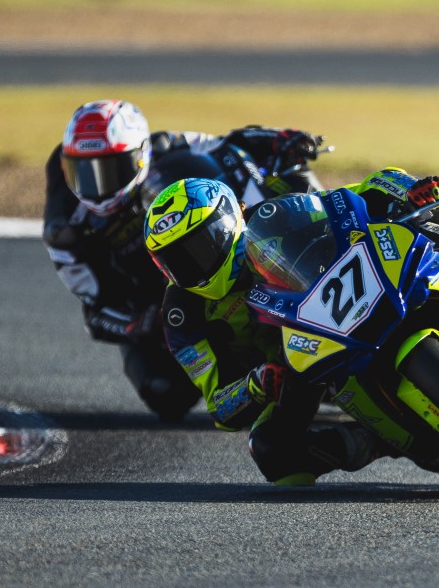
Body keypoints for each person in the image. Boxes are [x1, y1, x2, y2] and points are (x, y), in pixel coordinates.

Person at [143, 169, 439, 484]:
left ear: (229, 220)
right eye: (175, 261)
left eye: (199, 247)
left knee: (430, 221)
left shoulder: (276, 213)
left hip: (357, 292)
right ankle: (379, 440)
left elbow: (352, 197)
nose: (193, 267)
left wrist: (408, 192)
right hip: (299, 367)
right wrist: (256, 384)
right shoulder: (182, 314)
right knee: (273, 453)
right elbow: (218, 404)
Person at [41, 98, 326, 421]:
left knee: (286, 174)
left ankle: (325, 248)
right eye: (82, 173)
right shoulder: (64, 230)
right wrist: (139, 323)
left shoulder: (167, 147)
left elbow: (228, 144)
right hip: (157, 308)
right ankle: (254, 381)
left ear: (139, 156)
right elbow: (95, 313)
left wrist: (278, 141)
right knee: (164, 392)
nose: (96, 188)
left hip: (224, 267)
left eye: (108, 170)